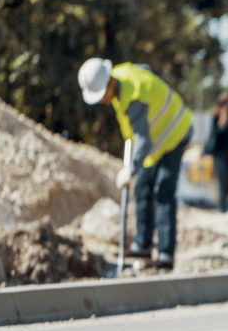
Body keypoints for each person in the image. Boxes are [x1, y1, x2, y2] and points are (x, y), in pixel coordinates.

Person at [78, 58, 192, 270]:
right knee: (142, 187)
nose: (102, 100)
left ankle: (166, 254)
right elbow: (146, 69)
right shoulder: (122, 75)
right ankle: (143, 245)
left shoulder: (133, 98)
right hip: (156, 144)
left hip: (175, 133)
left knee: (163, 190)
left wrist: (131, 167)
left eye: (102, 94)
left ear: (110, 83)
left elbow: (143, 140)